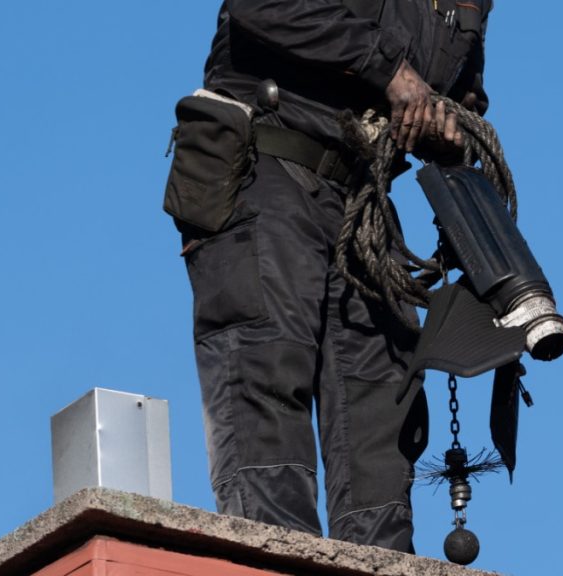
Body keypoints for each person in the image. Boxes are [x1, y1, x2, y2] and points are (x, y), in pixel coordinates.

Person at [177, 0, 492, 553]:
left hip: (366, 202)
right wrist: (392, 71)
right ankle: (279, 563)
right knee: (268, 382)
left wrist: (449, 129)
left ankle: (383, 566)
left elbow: (461, 93)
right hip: (268, 164)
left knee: (383, 421)